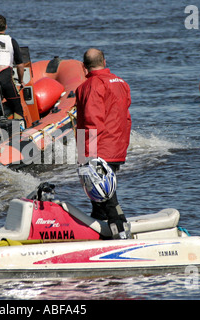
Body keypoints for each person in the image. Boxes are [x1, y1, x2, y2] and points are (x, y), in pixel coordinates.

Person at [75, 48, 132, 239]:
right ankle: (98, 238)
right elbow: (125, 115)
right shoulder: (122, 83)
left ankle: (123, 236)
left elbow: (92, 123)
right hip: (117, 147)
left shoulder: (88, 86)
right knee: (98, 202)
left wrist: (85, 158)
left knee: (107, 199)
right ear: (104, 62)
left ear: (84, 67)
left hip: (97, 151)